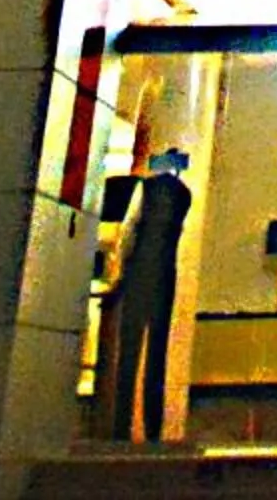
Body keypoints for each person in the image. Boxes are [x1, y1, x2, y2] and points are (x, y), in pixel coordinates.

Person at [106, 148, 192, 441]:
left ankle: (121, 427)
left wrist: (117, 274)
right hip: (166, 275)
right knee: (157, 353)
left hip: (139, 273)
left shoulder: (145, 188)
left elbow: (129, 231)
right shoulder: (185, 196)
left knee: (128, 354)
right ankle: (153, 428)